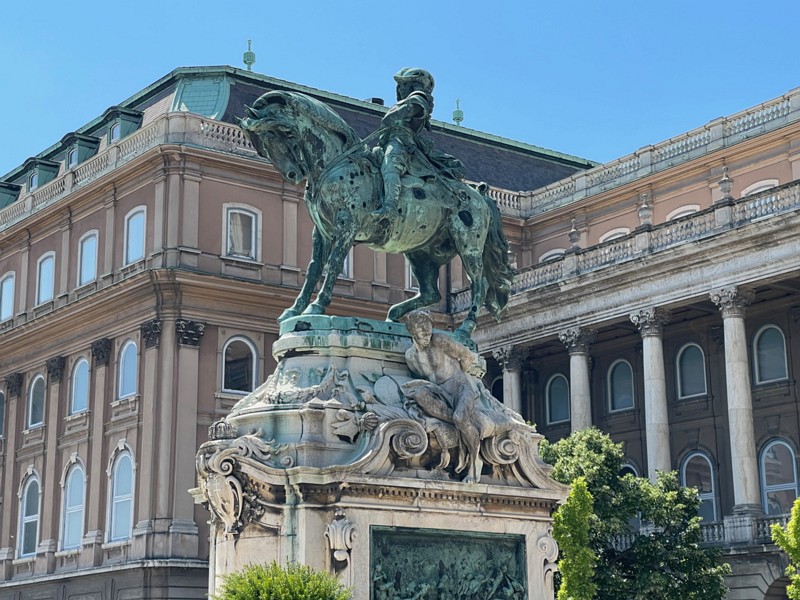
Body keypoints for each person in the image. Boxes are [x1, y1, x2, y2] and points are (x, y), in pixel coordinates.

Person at [403, 309, 484, 482]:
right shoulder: (411, 356)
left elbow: (467, 356)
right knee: (418, 394)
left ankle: (475, 461)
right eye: (422, 335)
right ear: (412, 333)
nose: (427, 337)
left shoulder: (439, 341)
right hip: (439, 393)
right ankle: (457, 424)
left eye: (428, 333)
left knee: (460, 418)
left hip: (460, 388)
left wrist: (460, 377)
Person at [372, 68, 464, 217]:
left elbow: (407, 112)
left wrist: (391, 117)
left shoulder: (418, 99)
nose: (399, 88)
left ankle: (390, 207)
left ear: (414, 86)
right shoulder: (407, 101)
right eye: (399, 85)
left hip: (401, 142)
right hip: (387, 140)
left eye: (403, 84)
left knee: (391, 164)